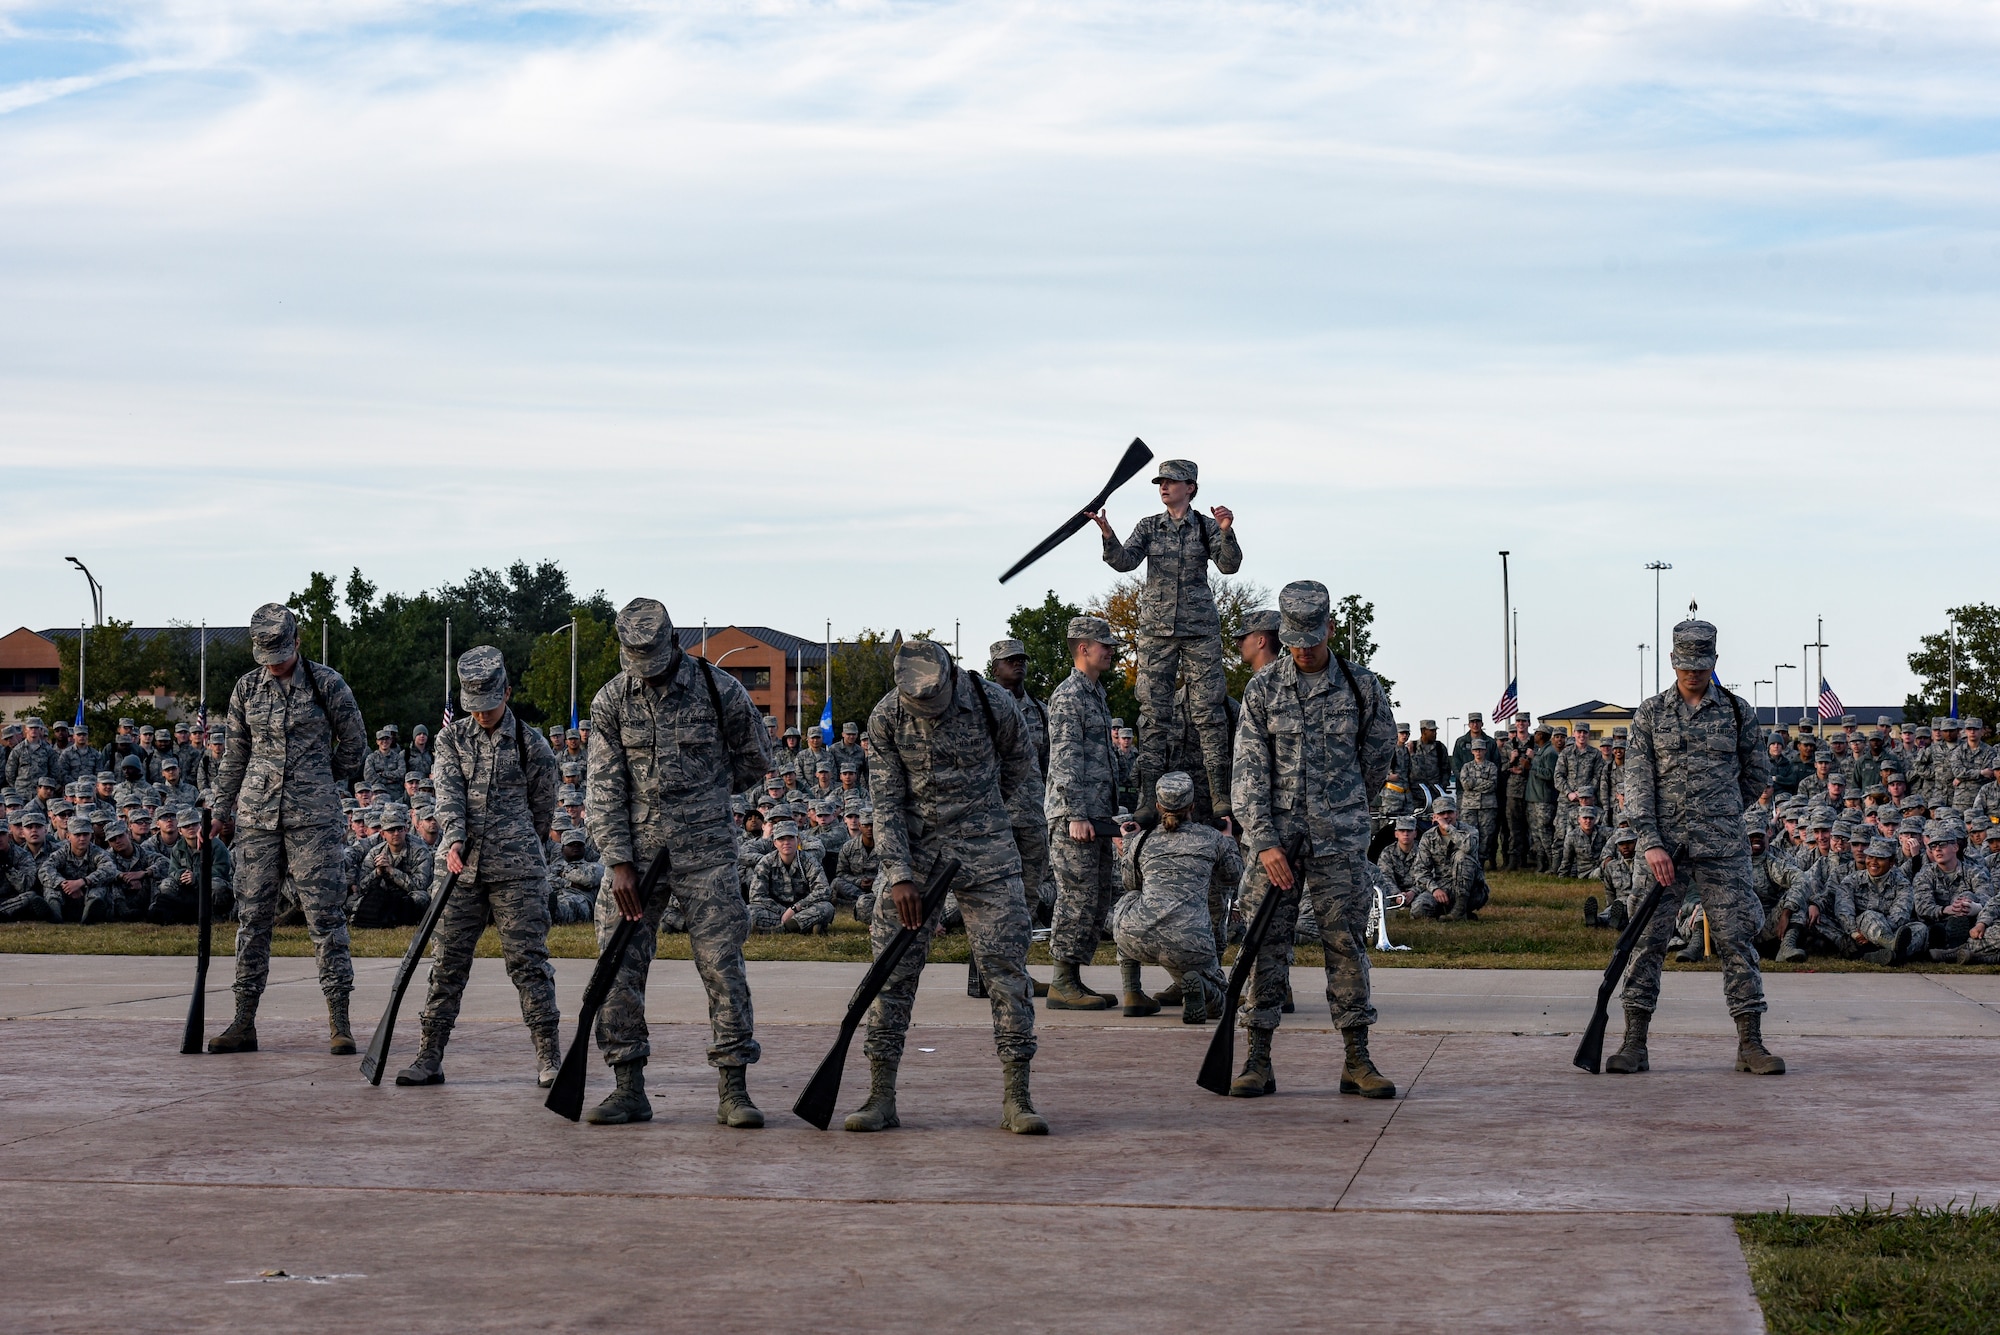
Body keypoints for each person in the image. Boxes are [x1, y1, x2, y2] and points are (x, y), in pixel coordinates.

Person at [844, 639, 1047, 1135]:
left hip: (987, 848)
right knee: (891, 976)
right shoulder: (887, 715)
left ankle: (1017, 1098)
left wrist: (985, 818)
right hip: (916, 852)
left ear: (953, 676)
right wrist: (899, 876)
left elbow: (1020, 768)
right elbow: (887, 800)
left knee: (1005, 971)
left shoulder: (990, 702)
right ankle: (880, 1095)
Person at [583, 598, 772, 1128]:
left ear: (673, 644)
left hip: (706, 854)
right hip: (636, 860)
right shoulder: (612, 700)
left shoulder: (720, 689)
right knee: (618, 966)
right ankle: (627, 1086)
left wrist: (708, 799)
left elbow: (756, 758)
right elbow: (603, 786)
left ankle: (734, 1087)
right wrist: (618, 861)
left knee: (721, 966)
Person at [1229, 580, 1400, 1100]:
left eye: (1311, 637)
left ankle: (1356, 1059)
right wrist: (1264, 841)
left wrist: (1346, 813)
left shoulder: (1360, 686)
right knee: (1263, 948)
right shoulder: (1262, 690)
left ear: (1329, 627)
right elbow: (1248, 773)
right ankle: (1257, 1060)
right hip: (1275, 844)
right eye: (1293, 638)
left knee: (1345, 944)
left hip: (1339, 843)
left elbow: (1377, 755)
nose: (1302, 648)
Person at [1605, 618, 1781, 1076]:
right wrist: (1650, 842)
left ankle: (1751, 1044)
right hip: (1662, 851)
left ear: (1714, 662)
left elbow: (1757, 774)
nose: (1692, 674)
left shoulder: (1738, 712)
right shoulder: (1650, 714)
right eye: (1685, 665)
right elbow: (1638, 782)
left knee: (1737, 940)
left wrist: (1719, 813)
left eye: (1701, 666)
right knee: (1647, 943)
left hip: (1723, 849)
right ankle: (1634, 1043)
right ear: (1672, 661)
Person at [394, 648, 563, 1086]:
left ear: (506, 692)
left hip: (517, 871)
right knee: (446, 963)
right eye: (474, 706)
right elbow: (448, 793)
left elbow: (542, 811)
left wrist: (520, 847)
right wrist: (454, 838)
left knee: (529, 964)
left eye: (490, 704)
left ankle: (549, 1057)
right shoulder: (451, 740)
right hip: (458, 869)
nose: (482, 713)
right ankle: (429, 1055)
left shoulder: (533, 745)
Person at [208, 604, 369, 1056]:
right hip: (258, 819)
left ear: (298, 642)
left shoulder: (327, 684)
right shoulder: (246, 688)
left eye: (280, 652)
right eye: (266, 655)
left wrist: (321, 777)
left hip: (313, 820)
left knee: (325, 919)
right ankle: (243, 1022)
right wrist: (221, 809)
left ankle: (340, 1022)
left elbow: (355, 743)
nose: (274, 663)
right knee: (252, 920)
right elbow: (235, 755)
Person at [1091, 457, 1242, 820]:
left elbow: (1230, 565)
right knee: (1153, 716)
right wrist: (1107, 535)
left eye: (1172, 481)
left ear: (1190, 487)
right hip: (1156, 632)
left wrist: (1226, 530)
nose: (1164, 486)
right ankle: (1147, 798)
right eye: (1161, 481)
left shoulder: (1206, 527)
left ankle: (1220, 793)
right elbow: (1125, 561)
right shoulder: (1148, 527)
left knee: (1209, 713)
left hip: (1199, 631)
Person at [1109, 770, 1242, 1023]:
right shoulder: (1211, 837)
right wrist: (1228, 840)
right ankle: (1204, 990)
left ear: (1158, 806)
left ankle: (1133, 994)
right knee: (1222, 1001)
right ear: (1193, 805)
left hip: (1139, 936)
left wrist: (1128, 845)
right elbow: (1233, 876)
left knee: (1129, 902)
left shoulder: (1142, 840)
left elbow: (1130, 884)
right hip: (1190, 939)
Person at [1043, 616, 1126, 1011]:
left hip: (1097, 815)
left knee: (1097, 897)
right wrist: (1075, 813)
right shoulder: (1068, 696)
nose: (1110, 649)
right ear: (1083, 648)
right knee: (1076, 897)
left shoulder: (1095, 693)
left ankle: (1073, 977)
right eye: (1103, 644)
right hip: (1074, 817)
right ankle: (1062, 982)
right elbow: (1065, 759)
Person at [347, 802, 434, 929]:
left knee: (421, 898)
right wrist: (377, 873)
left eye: (399, 829)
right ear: (383, 834)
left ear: (405, 830)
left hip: (407, 896)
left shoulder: (419, 851)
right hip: (384, 895)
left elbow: (420, 885)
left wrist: (391, 871)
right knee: (354, 901)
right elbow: (362, 887)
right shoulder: (375, 852)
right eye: (391, 830)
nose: (396, 833)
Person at [747, 819, 835, 933]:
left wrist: (795, 908)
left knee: (827, 908)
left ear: (798, 840)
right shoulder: (766, 862)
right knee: (749, 911)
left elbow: (823, 890)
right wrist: (783, 911)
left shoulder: (809, 861)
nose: (786, 842)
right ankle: (802, 926)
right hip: (775, 911)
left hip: (803, 909)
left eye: (790, 838)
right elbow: (756, 896)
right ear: (775, 843)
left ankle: (780, 928)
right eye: (781, 839)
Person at [1409, 794, 1488, 919]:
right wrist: (1435, 889)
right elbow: (1420, 870)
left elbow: (1468, 847)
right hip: (1442, 886)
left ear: (1456, 813)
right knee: (1418, 910)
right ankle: (1449, 911)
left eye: (1449, 812)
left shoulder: (1470, 831)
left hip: (1471, 890)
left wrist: (1447, 828)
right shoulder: (1428, 837)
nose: (1446, 816)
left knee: (1462, 856)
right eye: (1441, 813)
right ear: (1435, 816)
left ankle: (1460, 911)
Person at [38, 818, 119, 922]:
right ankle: (54, 914)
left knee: (99, 887)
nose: (82, 838)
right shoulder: (61, 853)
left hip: (87, 895)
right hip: (67, 898)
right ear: (68, 836)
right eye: (77, 835)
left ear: (91, 835)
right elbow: (44, 870)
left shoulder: (98, 853)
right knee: (51, 887)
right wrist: (64, 884)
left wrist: (82, 882)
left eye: (85, 834)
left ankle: (90, 915)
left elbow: (110, 869)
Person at [1457, 738, 1500, 868]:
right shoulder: (1466, 767)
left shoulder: (1491, 766)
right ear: (1472, 751)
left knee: (1487, 835)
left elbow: (1492, 785)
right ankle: (1470, 860)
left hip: (1487, 806)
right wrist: (1481, 782)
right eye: (1476, 750)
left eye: (1481, 750)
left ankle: (1481, 860)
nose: (1478, 752)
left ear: (1485, 751)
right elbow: (1465, 784)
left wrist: (1474, 783)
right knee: (1469, 834)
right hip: (1469, 806)